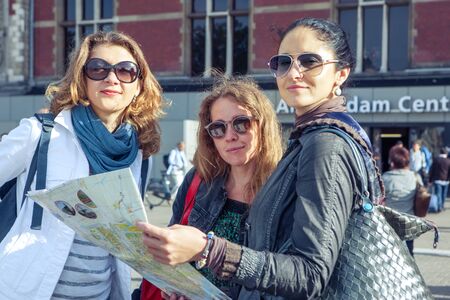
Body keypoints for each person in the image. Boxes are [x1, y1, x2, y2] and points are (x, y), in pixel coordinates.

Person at [137, 18, 385, 299]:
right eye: (284, 62)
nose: (294, 72)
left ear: (340, 73)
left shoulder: (325, 144)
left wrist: (209, 248)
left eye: (309, 61)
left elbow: (310, 275)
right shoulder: (310, 138)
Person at [0, 31, 163, 299]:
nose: (112, 78)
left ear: (138, 86)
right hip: (28, 291)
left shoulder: (139, 154)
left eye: (125, 70)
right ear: (82, 79)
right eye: (98, 69)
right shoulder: (40, 134)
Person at [139, 77, 283, 298]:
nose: (230, 136)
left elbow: (289, 276)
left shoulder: (284, 189)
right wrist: (176, 288)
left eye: (241, 123)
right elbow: (174, 253)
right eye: (218, 128)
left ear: (263, 125)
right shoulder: (199, 181)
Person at [382, 145, 416, 255]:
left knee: (391, 254)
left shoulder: (385, 178)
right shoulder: (414, 177)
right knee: (409, 253)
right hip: (409, 221)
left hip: (389, 222)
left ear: (392, 162)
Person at [429, 147, 450, 212]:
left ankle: (439, 207)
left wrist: (430, 180)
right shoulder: (448, 161)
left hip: (437, 180)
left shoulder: (436, 160)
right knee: (444, 194)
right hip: (446, 180)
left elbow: (432, 170)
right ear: (446, 153)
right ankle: (442, 206)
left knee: (438, 194)